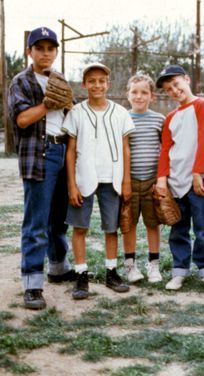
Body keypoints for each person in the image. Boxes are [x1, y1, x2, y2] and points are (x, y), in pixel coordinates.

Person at [7, 27, 76, 310]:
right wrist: (48, 103)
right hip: (40, 151)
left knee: (58, 216)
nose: (45, 53)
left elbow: (70, 114)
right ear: (29, 52)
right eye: (40, 48)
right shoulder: (21, 81)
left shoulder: (60, 79)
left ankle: (58, 266)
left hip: (62, 148)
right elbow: (22, 119)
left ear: (56, 52)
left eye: (51, 48)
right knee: (36, 220)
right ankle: (32, 284)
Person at [63, 62, 133, 300]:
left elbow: (126, 149)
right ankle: (81, 274)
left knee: (111, 228)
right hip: (84, 178)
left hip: (112, 177)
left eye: (101, 80)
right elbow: (71, 150)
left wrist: (126, 182)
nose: (97, 85)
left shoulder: (120, 112)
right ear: (84, 85)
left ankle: (111, 271)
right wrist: (71, 184)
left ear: (108, 83)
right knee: (80, 227)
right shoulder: (77, 112)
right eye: (91, 81)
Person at [155, 65, 204, 291]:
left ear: (187, 80)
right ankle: (180, 269)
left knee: (202, 227)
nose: (174, 90)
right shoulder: (170, 117)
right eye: (168, 88)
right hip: (175, 180)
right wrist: (162, 179)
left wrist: (198, 172)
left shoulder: (202, 106)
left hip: (197, 179)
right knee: (178, 227)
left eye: (176, 84)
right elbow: (165, 150)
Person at [122, 74, 165, 283]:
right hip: (128, 180)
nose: (139, 96)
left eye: (144, 92)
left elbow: (165, 150)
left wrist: (161, 179)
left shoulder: (159, 119)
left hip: (151, 181)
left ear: (152, 96)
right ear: (127, 95)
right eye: (134, 92)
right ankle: (130, 266)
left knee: (152, 223)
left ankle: (154, 265)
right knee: (128, 223)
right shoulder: (121, 118)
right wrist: (123, 181)